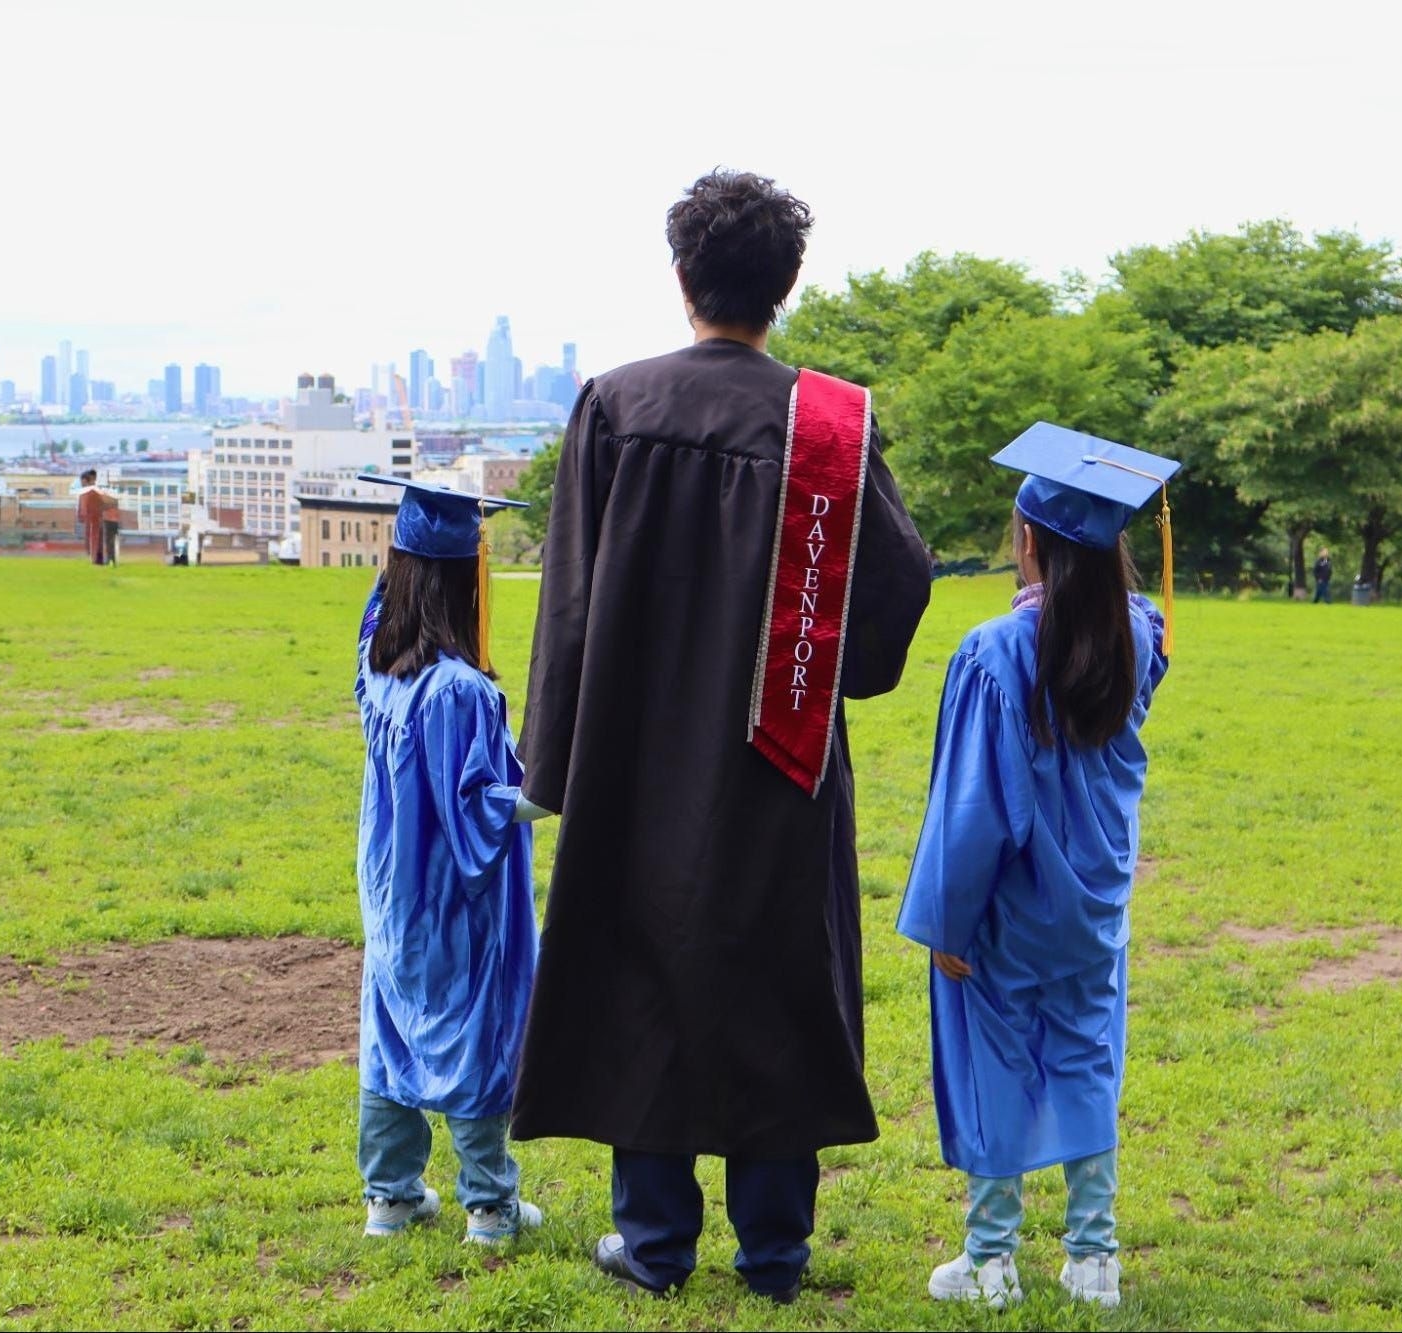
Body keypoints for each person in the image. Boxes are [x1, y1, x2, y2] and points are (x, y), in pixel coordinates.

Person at [513, 169, 932, 1302]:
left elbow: (569, 602)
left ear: (682, 278)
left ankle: (652, 1244)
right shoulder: (827, 425)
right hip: (775, 761)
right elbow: (897, 589)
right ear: (785, 287)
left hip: (634, 762)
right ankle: (775, 1251)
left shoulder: (614, 404)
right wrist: (838, 670)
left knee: (636, 968)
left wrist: (551, 762)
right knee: (775, 978)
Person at [897, 423, 1178, 1312]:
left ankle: (988, 1258)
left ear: (1028, 543)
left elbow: (973, 809)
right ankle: (1093, 1257)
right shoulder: (1135, 633)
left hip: (1010, 909)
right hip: (1096, 901)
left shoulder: (994, 651)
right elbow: (1142, 647)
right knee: (1088, 1056)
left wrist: (945, 920)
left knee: (997, 1059)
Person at [350, 477, 553, 1244]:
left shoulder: (379, 666)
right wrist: (562, 789)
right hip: (451, 899)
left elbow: (383, 599)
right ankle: (490, 1206)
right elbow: (482, 806)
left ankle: (392, 1196)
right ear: (467, 578)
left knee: (393, 1028)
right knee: (468, 1033)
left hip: (389, 893)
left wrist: (410, 550)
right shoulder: (461, 691)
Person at [75, 469, 112, 565]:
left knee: (94, 538)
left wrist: (81, 515)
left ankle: (95, 558)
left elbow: (83, 505)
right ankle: (97, 558)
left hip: (93, 517)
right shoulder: (90, 491)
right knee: (96, 538)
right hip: (94, 517)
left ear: (85, 480)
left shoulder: (91, 492)